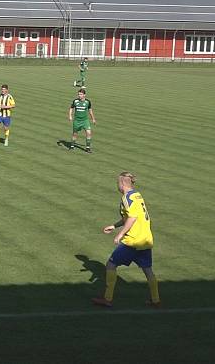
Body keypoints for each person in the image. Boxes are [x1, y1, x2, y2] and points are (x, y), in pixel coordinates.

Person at [92, 172, 160, 308]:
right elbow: (129, 217)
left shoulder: (126, 198)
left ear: (122, 183)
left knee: (111, 264)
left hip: (133, 241)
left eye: (118, 183)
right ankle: (156, 300)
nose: (117, 185)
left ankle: (107, 298)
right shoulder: (137, 195)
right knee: (148, 270)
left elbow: (132, 218)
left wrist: (120, 234)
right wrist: (114, 226)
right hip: (145, 239)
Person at [68, 88, 96, 153]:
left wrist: (93, 119)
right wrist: (70, 116)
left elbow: (90, 110)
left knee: (89, 133)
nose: (79, 95)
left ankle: (88, 148)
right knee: (75, 134)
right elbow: (71, 108)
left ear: (84, 95)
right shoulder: (75, 101)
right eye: (78, 94)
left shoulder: (87, 102)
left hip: (85, 121)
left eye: (80, 94)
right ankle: (72, 146)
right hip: (77, 121)